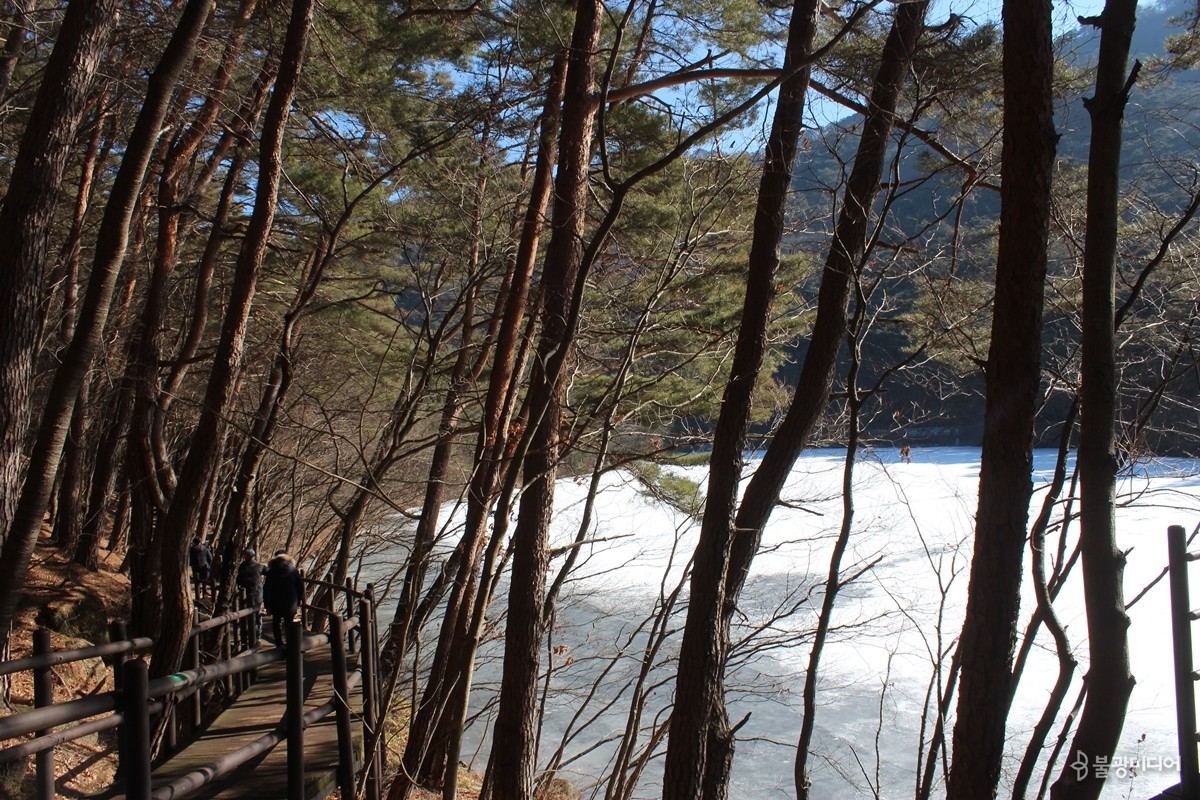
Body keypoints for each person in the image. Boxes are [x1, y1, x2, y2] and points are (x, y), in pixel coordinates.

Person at [263, 550, 304, 649]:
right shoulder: (293, 570)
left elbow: (267, 589)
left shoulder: (271, 571)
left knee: (276, 622)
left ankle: (279, 643)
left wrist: (267, 605)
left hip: (275, 600)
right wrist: (300, 599)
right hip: (291, 600)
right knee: (289, 622)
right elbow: (300, 586)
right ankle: (291, 643)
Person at [236, 547, 266, 643]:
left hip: (247, 593)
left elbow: (238, 579)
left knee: (247, 613)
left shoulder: (244, 566)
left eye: (245, 554)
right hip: (256, 593)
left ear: (248, 556)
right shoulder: (259, 566)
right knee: (256, 614)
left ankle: (248, 635)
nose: (244, 556)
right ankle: (256, 636)